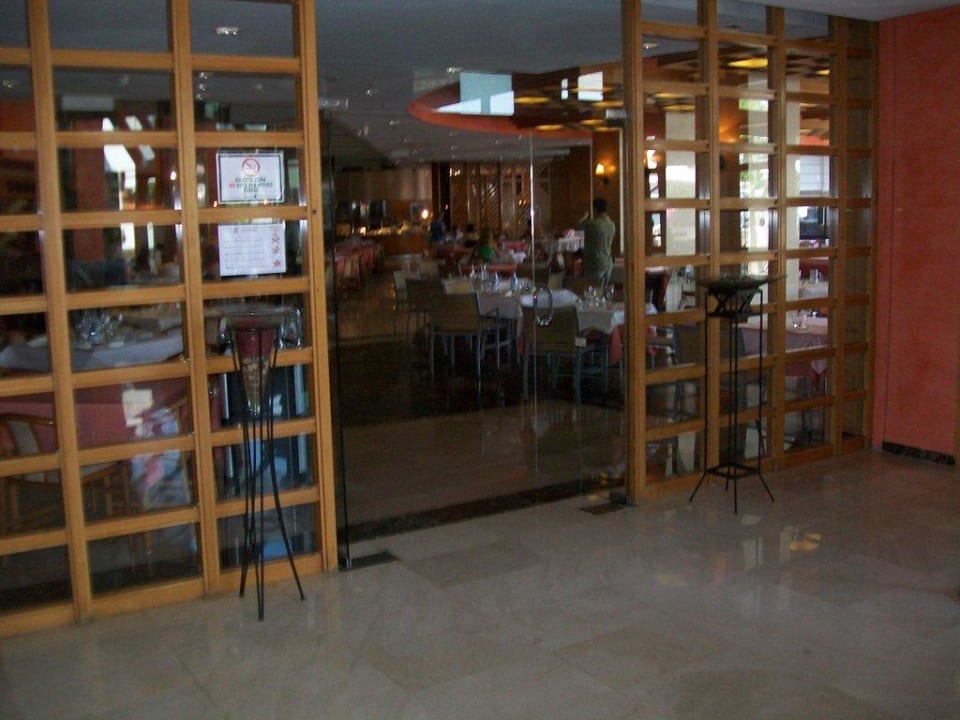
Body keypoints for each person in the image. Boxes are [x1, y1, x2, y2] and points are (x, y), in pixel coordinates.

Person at [576, 197, 615, 285]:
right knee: (602, 290)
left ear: (595, 209)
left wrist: (584, 216)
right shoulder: (611, 224)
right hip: (608, 263)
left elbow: (578, 228)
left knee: (591, 290)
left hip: (594, 264)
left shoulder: (593, 224)